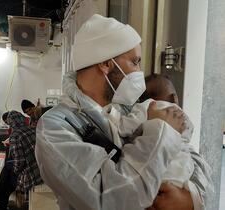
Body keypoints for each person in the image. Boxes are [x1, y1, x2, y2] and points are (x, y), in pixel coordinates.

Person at [35, 14, 212, 210]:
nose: (139, 72)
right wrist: (162, 132)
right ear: (106, 64)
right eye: (135, 62)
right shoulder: (55, 128)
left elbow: (195, 159)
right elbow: (108, 199)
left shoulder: (129, 107)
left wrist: (191, 197)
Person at [0, 111, 43, 210]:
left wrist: (14, 170)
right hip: (40, 168)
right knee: (7, 171)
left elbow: (19, 162)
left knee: (7, 174)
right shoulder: (33, 129)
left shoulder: (16, 135)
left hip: (31, 174)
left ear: (11, 122)